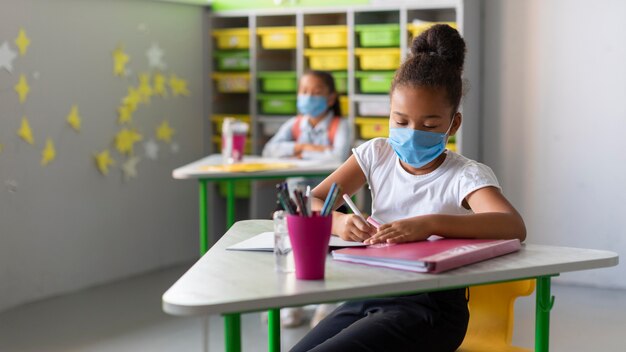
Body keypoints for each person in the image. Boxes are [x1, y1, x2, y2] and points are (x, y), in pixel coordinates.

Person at [291, 24, 526, 352]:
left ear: (453, 123)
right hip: (372, 293)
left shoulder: (464, 175)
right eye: (400, 122)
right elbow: (313, 200)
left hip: (431, 309)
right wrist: (341, 222)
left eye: (430, 125)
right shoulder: (376, 154)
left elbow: (512, 225)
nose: (412, 132)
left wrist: (430, 223)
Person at [262, 71, 351, 328]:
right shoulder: (295, 124)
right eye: (304, 91)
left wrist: (295, 155)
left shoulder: (338, 125)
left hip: (329, 201)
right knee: (290, 250)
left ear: (331, 97)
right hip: (293, 199)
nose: (308, 97)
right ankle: (293, 304)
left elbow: (337, 158)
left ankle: (327, 307)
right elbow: (270, 150)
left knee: (330, 254)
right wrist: (304, 148)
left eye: (316, 91)